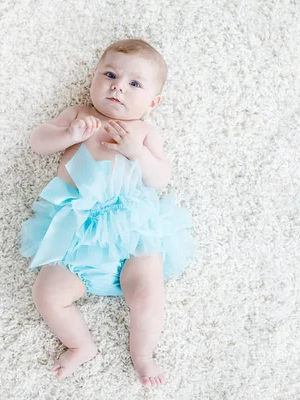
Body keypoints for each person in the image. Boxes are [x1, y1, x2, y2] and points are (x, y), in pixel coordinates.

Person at [20, 39, 195, 387]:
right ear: (93, 77)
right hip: (75, 233)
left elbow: (160, 177)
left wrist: (137, 153)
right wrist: (66, 134)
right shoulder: (79, 115)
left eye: (134, 83)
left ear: (152, 102)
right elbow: (38, 142)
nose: (118, 86)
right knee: (47, 294)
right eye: (110, 75)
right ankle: (81, 345)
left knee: (149, 296)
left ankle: (143, 355)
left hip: (134, 236)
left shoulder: (143, 131)